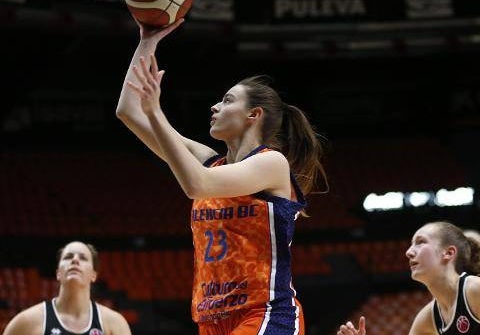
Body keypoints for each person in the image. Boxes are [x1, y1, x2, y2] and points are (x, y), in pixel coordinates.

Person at [116, 18, 327, 335]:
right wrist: (147, 41)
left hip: (266, 313)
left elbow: (196, 184)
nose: (214, 106)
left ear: (253, 115)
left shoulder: (272, 164)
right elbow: (128, 112)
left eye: (227, 100)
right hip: (211, 319)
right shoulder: (211, 162)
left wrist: (156, 112)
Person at [337, 221, 480, 335]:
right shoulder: (429, 317)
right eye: (410, 244)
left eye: (420, 242)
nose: (409, 251)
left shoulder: (473, 290)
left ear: (448, 253)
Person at [2, 241, 132, 335]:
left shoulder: (115, 323)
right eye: (68, 257)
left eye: (83, 258)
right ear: (58, 273)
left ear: (93, 275)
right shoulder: (27, 322)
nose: (75, 260)